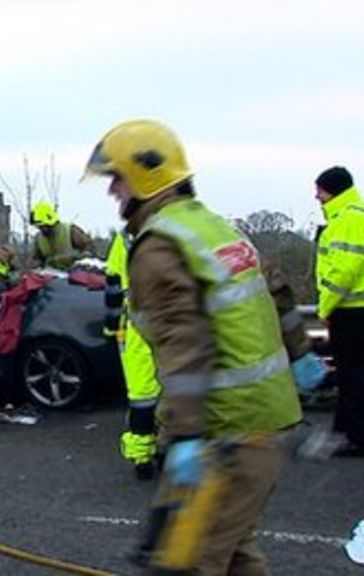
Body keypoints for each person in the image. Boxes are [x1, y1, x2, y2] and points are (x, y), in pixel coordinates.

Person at [84, 119, 305, 574]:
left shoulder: (159, 247)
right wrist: (301, 355)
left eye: (117, 178)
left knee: (194, 558)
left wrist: (186, 436)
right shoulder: (215, 228)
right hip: (270, 416)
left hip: (228, 427)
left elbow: (185, 343)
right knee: (234, 548)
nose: (113, 191)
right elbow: (277, 290)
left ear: (146, 174)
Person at [314, 166, 364, 458]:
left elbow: (343, 273)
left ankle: (359, 439)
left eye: (320, 190)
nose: (317, 196)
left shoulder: (349, 218)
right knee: (353, 373)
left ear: (332, 190)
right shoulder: (361, 212)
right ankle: (345, 428)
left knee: (354, 375)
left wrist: (325, 308)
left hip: (354, 310)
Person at [104, 231, 162, 481]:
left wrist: (111, 325)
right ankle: (172, 450)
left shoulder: (126, 237)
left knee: (142, 394)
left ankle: (142, 457)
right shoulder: (182, 226)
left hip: (140, 321)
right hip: (178, 318)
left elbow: (114, 284)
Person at [30, 200, 95, 269]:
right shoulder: (39, 240)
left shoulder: (70, 231)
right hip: (52, 273)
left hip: (76, 272)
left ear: (51, 222)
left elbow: (90, 252)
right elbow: (36, 261)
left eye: (43, 226)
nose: (42, 229)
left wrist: (80, 260)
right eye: (39, 227)